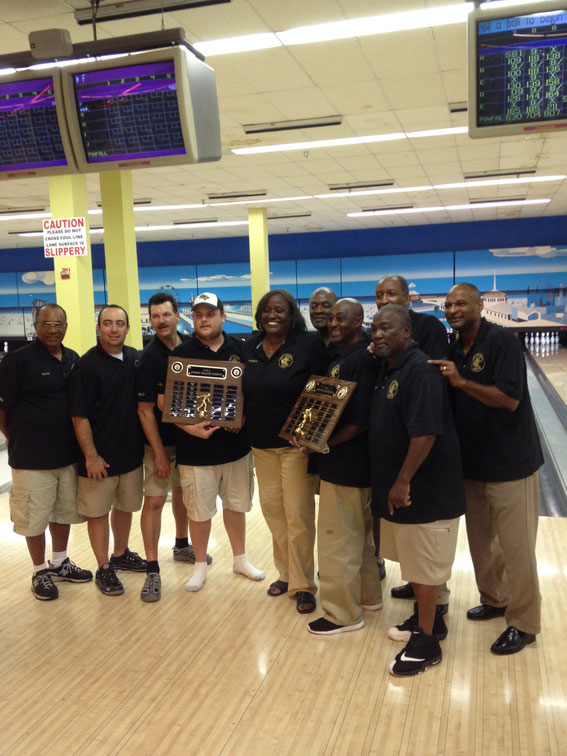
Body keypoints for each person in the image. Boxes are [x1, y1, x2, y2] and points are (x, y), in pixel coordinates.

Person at [430, 283, 543, 655]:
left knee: (517, 547)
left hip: (511, 464)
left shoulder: (502, 343)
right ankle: (494, 599)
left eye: (461, 302)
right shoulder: (453, 345)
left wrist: (461, 381)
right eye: (448, 304)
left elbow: (509, 400)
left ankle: (524, 622)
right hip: (472, 463)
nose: (453, 309)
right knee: (481, 542)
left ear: (480, 305)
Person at [370, 305, 465, 676]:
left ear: (407, 331)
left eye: (386, 329)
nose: (378, 335)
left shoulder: (419, 372)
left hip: (427, 491)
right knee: (417, 566)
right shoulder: (391, 368)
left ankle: (426, 644)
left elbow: (425, 432)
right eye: (374, 328)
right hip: (411, 491)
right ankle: (428, 622)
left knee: (424, 570)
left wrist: (403, 480)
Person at [156, 292, 264, 595]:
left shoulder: (241, 350)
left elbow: (253, 393)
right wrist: (190, 429)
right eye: (199, 314)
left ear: (222, 316)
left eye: (210, 313)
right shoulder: (182, 353)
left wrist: (244, 418)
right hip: (195, 450)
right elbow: (166, 401)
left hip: (235, 447)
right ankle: (200, 564)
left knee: (236, 506)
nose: (204, 319)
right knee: (198, 511)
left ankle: (240, 559)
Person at [241, 289, 331, 614]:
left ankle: (304, 585)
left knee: (298, 515)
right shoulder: (249, 346)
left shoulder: (307, 345)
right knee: (273, 511)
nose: (272, 315)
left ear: (291, 314)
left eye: (279, 310)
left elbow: (324, 389)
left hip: (295, 447)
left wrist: (310, 433)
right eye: (266, 310)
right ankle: (286, 573)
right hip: (260, 445)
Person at [297, 298, 382, 635]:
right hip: (351, 465)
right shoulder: (344, 357)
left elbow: (359, 421)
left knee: (337, 542)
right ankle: (368, 597)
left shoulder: (359, 359)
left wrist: (321, 442)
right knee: (358, 538)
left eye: (341, 318)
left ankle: (341, 614)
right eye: (330, 318)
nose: (333, 323)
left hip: (346, 464)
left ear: (360, 320)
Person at [0, 304, 92, 600]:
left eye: (59, 324)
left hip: (67, 454)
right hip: (30, 457)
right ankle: (40, 570)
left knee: (62, 512)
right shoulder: (16, 362)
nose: (53, 330)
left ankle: (60, 562)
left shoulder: (73, 359)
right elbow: (1, 410)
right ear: (35, 327)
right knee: (34, 517)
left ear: (66, 326)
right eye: (47, 324)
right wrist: (15, 438)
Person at [375, 274, 449, 599]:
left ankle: (437, 604)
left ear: (407, 298)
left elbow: (426, 379)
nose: (385, 299)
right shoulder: (381, 337)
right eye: (379, 295)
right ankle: (420, 589)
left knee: (427, 532)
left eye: (391, 293)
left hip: (423, 437)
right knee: (414, 536)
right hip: (399, 444)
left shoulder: (428, 331)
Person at [137, 292, 211, 603]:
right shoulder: (149, 358)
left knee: (183, 493)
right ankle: (152, 567)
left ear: (177, 316)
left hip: (190, 439)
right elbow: (144, 410)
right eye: (155, 316)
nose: (161, 321)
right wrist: (159, 453)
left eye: (165, 315)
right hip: (161, 443)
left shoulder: (190, 347)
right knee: (155, 501)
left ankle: (181, 544)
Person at [71, 305, 146, 596]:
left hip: (129, 454)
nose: (114, 329)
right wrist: (91, 455)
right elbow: (79, 416)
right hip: (98, 458)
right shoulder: (87, 366)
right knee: (99, 513)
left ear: (128, 328)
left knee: (125, 507)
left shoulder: (134, 359)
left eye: (119, 323)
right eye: (107, 323)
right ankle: (104, 567)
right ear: (98, 328)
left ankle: (120, 553)